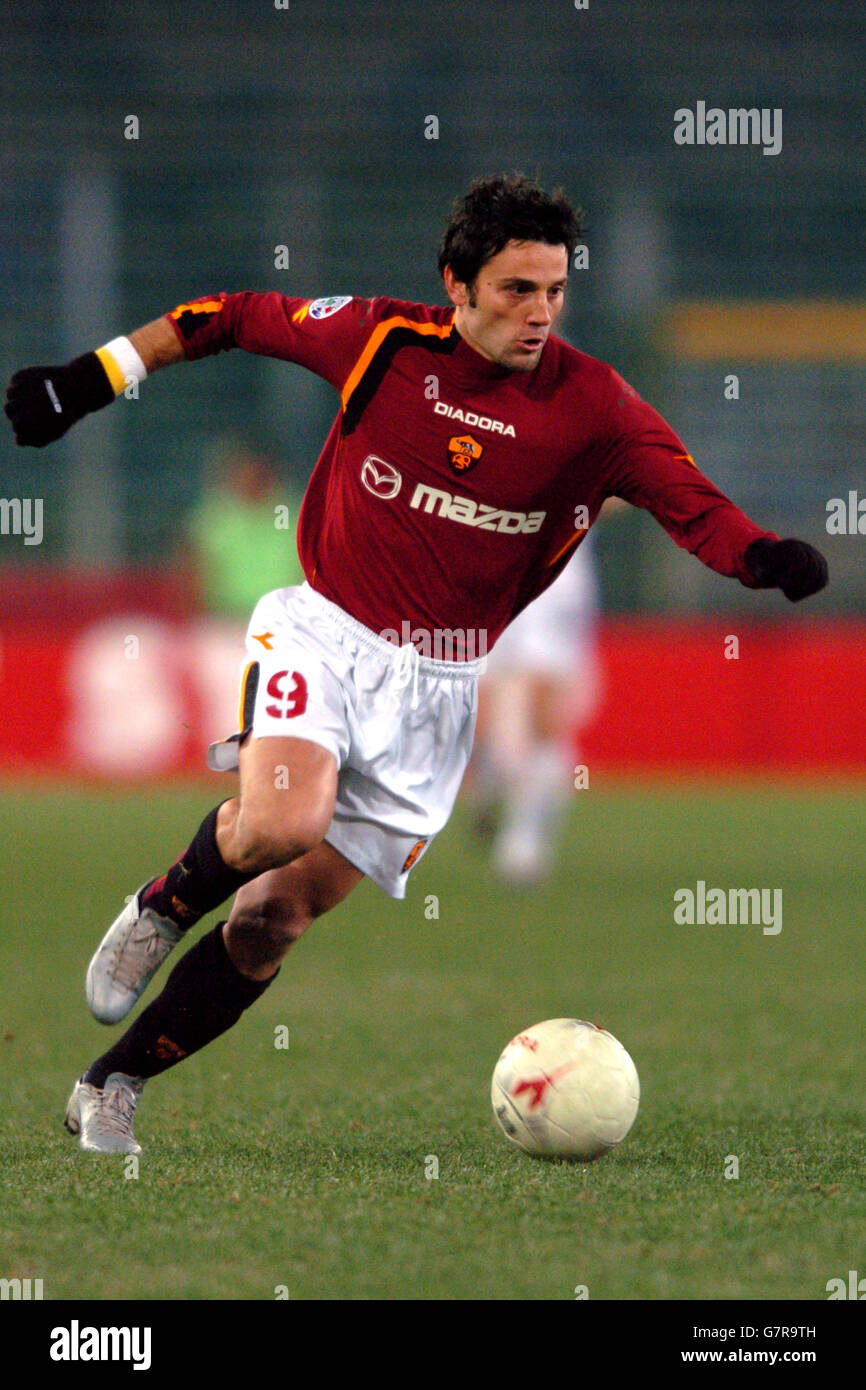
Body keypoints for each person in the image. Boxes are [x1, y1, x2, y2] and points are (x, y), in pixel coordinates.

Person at [5, 174, 828, 1154]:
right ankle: (161, 905)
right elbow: (227, 316)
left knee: (273, 922)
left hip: (437, 693)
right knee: (280, 819)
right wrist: (93, 376)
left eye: (555, 291)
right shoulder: (382, 344)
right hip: (325, 631)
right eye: (516, 289)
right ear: (457, 283)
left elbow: (688, 501)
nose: (539, 313)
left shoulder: (592, 406)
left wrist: (761, 557)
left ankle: (112, 1083)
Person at [468, 527, 603, 885]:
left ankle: (524, 836)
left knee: (545, 712)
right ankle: (490, 777)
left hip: (553, 581)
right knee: (484, 716)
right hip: (489, 571)